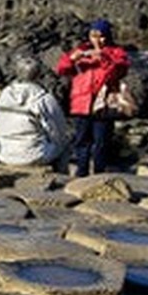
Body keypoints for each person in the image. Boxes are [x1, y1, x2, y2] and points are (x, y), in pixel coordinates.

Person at [56, 18, 130, 177]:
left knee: (101, 141)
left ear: (108, 36)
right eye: (93, 35)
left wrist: (102, 55)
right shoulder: (81, 51)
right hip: (81, 103)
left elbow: (119, 70)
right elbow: (62, 69)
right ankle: (81, 171)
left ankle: (99, 172)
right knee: (81, 140)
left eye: (101, 35)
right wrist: (72, 59)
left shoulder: (116, 52)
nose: (97, 39)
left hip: (103, 104)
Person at [0, 53, 69, 168]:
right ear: (38, 75)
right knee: (64, 145)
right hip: (33, 155)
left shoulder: (4, 94)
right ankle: (61, 180)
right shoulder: (43, 99)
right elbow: (59, 130)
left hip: (3, 152)